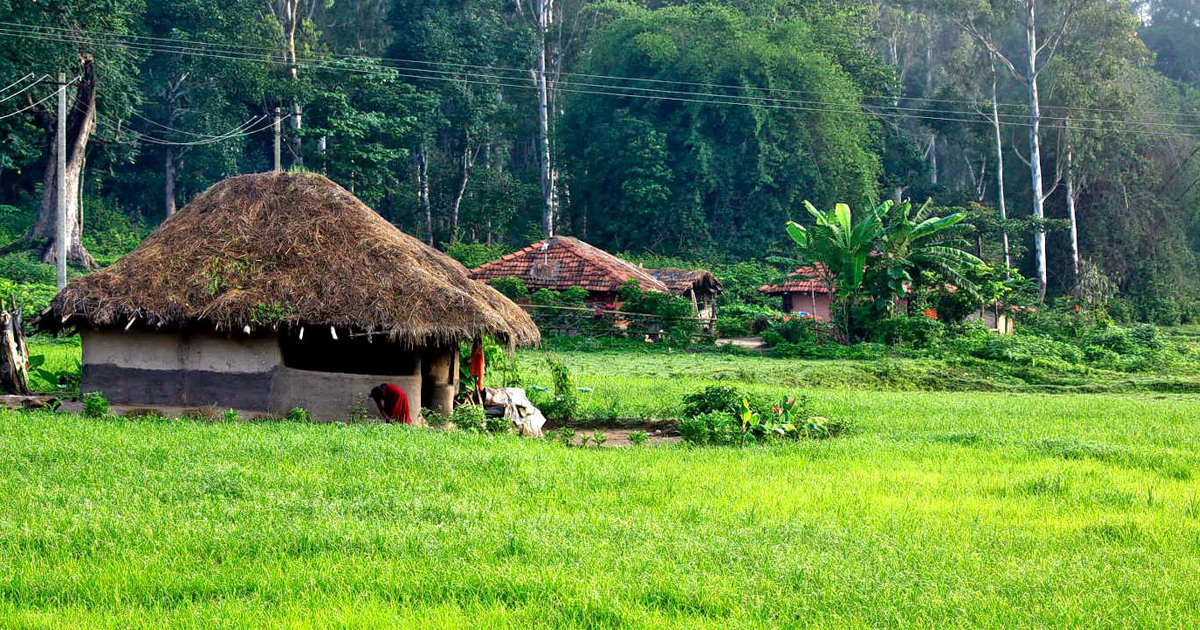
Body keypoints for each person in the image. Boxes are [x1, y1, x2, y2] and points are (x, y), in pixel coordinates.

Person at [469, 338, 486, 403]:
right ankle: (477, 393)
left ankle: (478, 393)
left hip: (478, 369)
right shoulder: (476, 351)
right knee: (478, 382)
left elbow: (480, 362)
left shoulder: (478, 351)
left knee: (479, 382)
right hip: (476, 369)